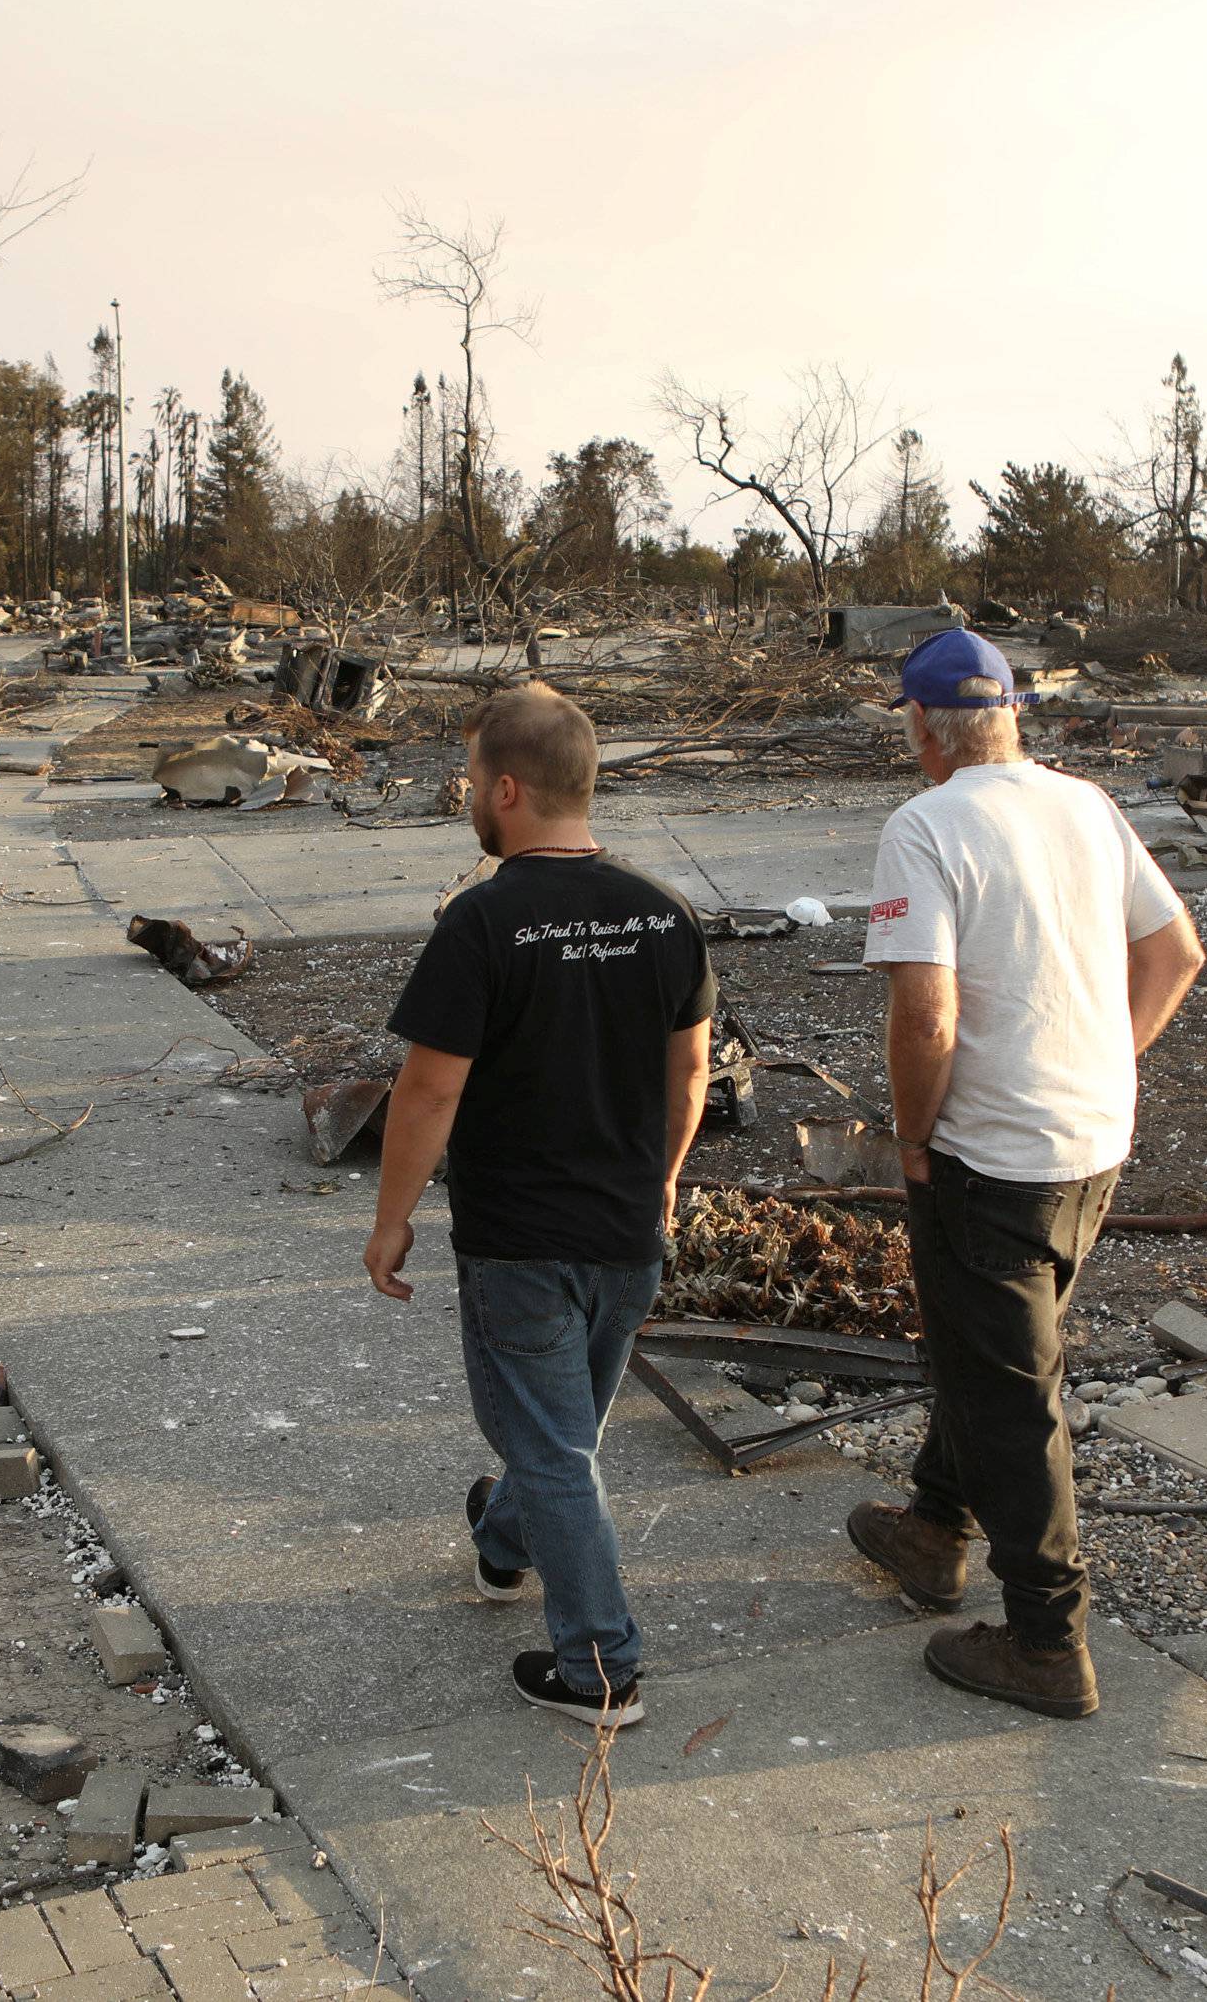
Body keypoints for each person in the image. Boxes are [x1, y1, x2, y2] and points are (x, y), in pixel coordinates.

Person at [847, 627, 1204, 1718]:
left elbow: (927, 1014)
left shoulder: (926, 825)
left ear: (920, 726)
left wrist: (914, 1137)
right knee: (991, 1348)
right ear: (1011, 713)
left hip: (993, 1156)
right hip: (1093, 1141)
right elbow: (1175, 949)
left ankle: (1049, 1641)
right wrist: (1106, 1057)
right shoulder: (1086, 804)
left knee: (1014, 1396)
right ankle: (933, 1528)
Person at [362, 684, 715, 1728]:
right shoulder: (665, 910)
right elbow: (689, 1073)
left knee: (557, 1446)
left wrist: (390, 1219)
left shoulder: (482, 921)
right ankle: (504, 1542)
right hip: (626, 1236)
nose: (470, 797)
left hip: (523, 1247)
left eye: (473, 780)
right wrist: (664, 1176)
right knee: (562, 1434)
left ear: (506, 789)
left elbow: (428, 1088)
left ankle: (600, 1668)